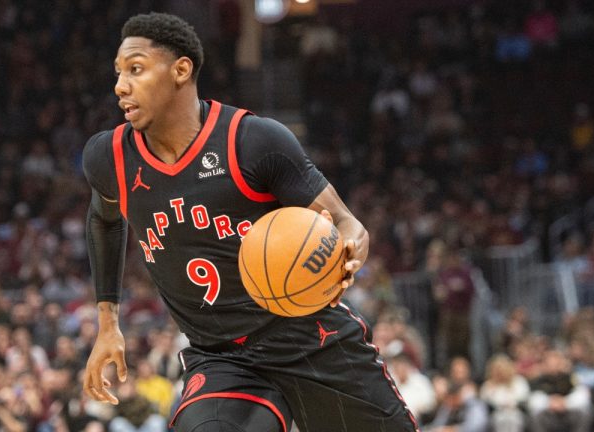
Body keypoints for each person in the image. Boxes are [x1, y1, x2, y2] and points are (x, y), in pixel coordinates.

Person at [81, 12, 418, 432]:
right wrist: (107, 323)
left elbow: (348, 224)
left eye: (135, 69)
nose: (120, 86)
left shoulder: (253, 141)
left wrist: (349, 249)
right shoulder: (109, 157)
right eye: (118, 73)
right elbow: (104, 220)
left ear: (181, 70)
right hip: (223, 357)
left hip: (310, 337)